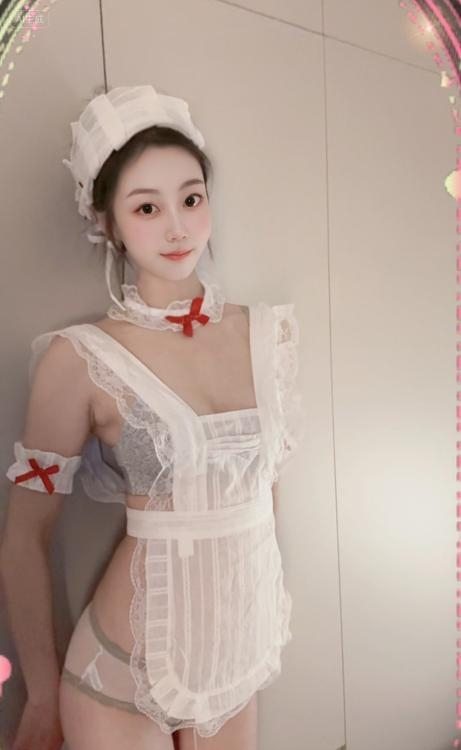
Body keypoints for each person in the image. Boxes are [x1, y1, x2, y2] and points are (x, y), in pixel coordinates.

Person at [1, 85, 305, 750]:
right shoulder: (80, 359)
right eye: (146, 207)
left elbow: (266, 493)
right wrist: (42, 695)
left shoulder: (267, 336)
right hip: (121, 675)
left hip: (237, 663)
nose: (177, 228)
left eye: (191, 199)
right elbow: (25, 535)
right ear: (108, 222)